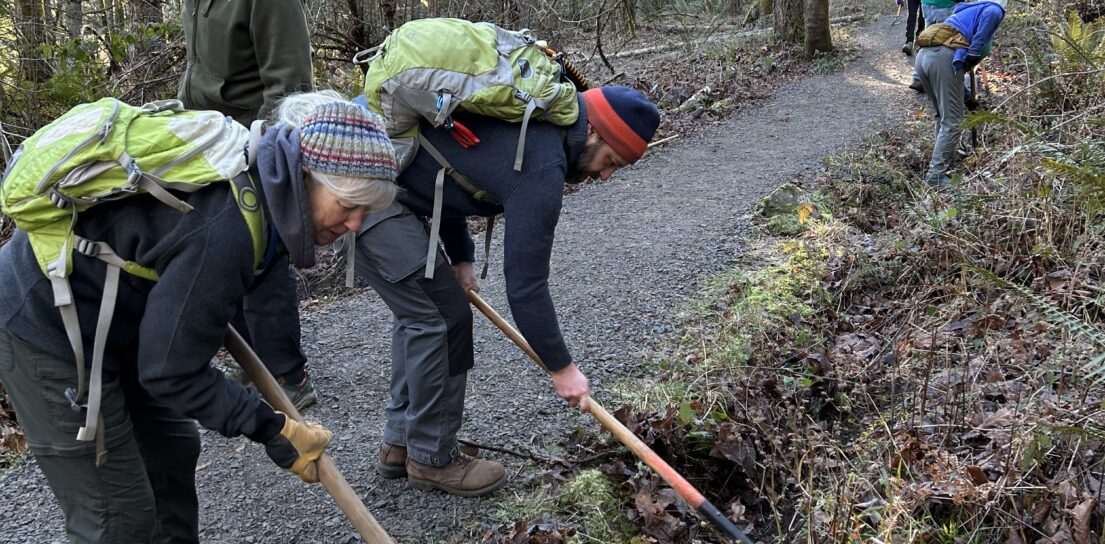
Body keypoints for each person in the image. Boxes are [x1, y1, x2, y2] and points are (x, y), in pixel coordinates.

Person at [0, 92, 397, 543]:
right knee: (118, 517)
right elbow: (170, 374)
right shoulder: (227, 229)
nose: (356, 224)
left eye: (367, 210)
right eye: (348, 206)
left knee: (171, 453)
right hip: (46, 326)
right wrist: (273, 428)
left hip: (119, 321)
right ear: (304, 176)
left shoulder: (265, 197)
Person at [352, 86, 660, 497]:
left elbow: (447, 168)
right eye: (611, 161)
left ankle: (402, 442)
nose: (605, 175)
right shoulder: (542, 164)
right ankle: (431, 458)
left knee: (427, 312)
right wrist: (562, 368)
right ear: (593, 133)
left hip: (376, 179)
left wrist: (461, 258)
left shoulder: (530, 131)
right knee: (441, 317)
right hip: (359, 188)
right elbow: (527, 285)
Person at [178, 0, 319, 409]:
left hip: (250, 145)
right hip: (207, 146)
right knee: (224, 256)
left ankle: (289, 376)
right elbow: (197, 73)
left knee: (263, 261)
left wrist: (263, 158)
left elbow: (290, 83)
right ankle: (254, 362)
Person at [914, 0, 1007, 186]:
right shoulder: (993, 10)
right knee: (953, 120)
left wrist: (966, 98)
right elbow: (971, 52)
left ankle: (945, 160)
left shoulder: (969, 9)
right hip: (941, 59)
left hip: (924, 57)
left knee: (943, 116)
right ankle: (936, 175)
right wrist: (974, 52)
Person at [909, 0, 958, 92]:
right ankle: (944, 79)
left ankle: (918, 77)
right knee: (946, 43)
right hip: (945, 5)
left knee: (928, 39)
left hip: (927, 4)